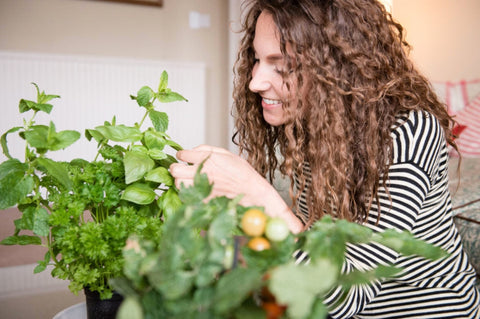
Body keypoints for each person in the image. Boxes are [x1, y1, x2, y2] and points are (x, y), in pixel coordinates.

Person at [170, 0, 480, 317]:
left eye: (282, 66)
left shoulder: (411, 132)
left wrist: (260, 195)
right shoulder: (317, 128)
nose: (255, 82)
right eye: (257, 59)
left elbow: (348, 292)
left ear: (338, 68)